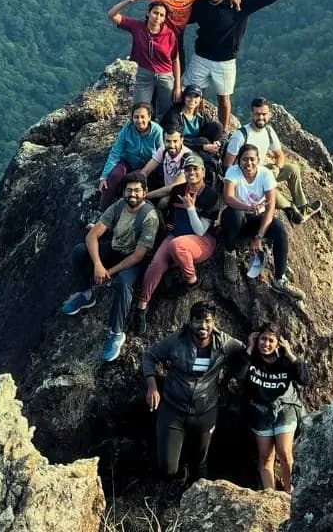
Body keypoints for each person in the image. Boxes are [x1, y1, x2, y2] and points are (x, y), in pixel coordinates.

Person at [186, 0, 314, 130]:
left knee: (224, 99)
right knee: (195, 94)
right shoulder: (200, 3)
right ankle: (194, 126)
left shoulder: (239, 4)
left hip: (225, 61)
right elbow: (181, 11)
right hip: (201, 57)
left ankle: (222, 132)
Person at [142, 300, 246, 480]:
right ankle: (178, 475)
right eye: (198, 321)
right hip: (173, 409)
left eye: (207, 321)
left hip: (205, 411)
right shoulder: (176, 341)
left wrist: (229, 379)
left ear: (214, 323)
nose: (203, 326)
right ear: (191, 323)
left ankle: (196, 495)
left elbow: (244, 354)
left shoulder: (225, 343)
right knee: (167, 467)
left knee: (200, 462)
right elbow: (149, 356)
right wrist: (152, 387)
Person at [61, 174, 159, 362]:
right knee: (80, 251)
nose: (133, 194)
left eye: (137, 190)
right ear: (124, 191)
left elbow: (138, 255)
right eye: (129, 190)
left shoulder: (149, 217)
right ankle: (86, 295)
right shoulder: (119, 206)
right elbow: (92, 236)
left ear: (145, 193)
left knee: (123, 282)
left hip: (136, 260)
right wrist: (98, 265)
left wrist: (108, 273)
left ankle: (116, 333)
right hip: (115, 249)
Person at [135, 157, 223, 326]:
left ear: (203, 172)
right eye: (188, 169)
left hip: (201, 241)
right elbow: (167, 191)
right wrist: (145, 196)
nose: (192, 173)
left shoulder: (210, 196)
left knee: (177, 245)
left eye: (196, 169)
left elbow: (201, 230)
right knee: (155, 265)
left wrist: (190, 208)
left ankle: (192, 281)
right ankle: (142, 307)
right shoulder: (180, 190)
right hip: (176, 235)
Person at [225, 96, 321, 224]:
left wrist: (277, 168)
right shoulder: (240, 136)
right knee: (267, 185)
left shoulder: (268, 131)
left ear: (269, 115)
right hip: (245, 177)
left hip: (261, 170)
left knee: (292, 169)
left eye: (264, 114)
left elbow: (280, 155)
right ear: (252, 114)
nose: (260, 117)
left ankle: (303, 206)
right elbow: (228, 164)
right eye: (257, 114)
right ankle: (289, 208)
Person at [221, 145, 300, 297]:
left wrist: (259, 237)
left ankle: (279, 279)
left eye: (252, 159)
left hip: (256, 219)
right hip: (238, 217)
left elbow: (270, 207)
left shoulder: (265, 175)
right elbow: (228, 198)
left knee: (279, 229)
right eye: (244, 159)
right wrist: (248, 207)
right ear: (239, 160)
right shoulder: (233, 172)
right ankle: (230, 252)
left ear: (258, 160)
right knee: (234, 214)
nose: (248, 163)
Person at [245, 322, 311, 492]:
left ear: (278, 343)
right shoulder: (251, 359)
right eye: (262, 339)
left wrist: (290, 354)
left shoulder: (285, 362)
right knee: (265, 457)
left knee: (284, 452)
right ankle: (270, 494)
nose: (265, 344)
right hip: (260, 412)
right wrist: (249, 348)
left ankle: (290, 493)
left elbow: (305, 379)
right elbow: (239, 374)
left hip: (285, 409)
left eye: (270, 341)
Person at [107, 0, 181, 121]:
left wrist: (178, 86)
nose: (157, 17)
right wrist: (128, 1)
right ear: (148, 13)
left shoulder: (169, 35)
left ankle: (164, 138)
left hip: (165, 75)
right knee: (140, 111)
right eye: (155, 13)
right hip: (143, 74)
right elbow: (112, 15)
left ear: (164, 18)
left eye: (161, 15)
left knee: (167, 113)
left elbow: (175, 60)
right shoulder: (138, 27)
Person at [99, 103, 164, 206]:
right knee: (115, 176)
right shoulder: (127, 129)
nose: (139, 120)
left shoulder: (157, 131)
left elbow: (163, 153)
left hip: (147, 166)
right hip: (128, 163)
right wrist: (104, 176)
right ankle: (102, 207)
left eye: (143, 117)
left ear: (149, 117)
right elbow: (116, 152)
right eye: (136, 117)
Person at [167, 84, 224, 179]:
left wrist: (218, 143)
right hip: (181, 145)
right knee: (203, 142)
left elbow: (220, 131)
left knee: (217, 126)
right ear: (184, 97)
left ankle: (214, 157)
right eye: (189, 96)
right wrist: (203, 146)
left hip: (199, 144)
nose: (192, 99)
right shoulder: (175, 115)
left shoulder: (200, 114)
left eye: (196, 96)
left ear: (201, 99)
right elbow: (173, 140)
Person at [136, 124, 200, 197]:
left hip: (183, 195)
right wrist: (137, 189)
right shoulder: (163, 150)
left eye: (175, 141)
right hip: (167, 190)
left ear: (181, 140)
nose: (171, 145)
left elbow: (175, 187)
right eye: (168, 141)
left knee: (163, 202)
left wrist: (145, 196)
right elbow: (145, 171)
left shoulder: (188, 158)